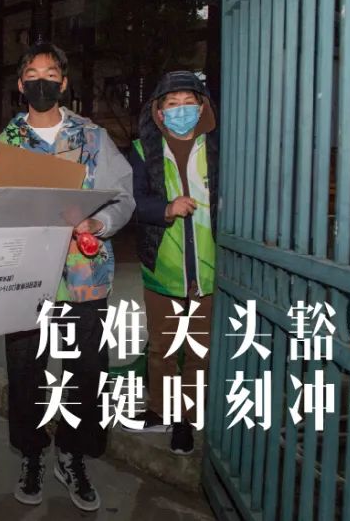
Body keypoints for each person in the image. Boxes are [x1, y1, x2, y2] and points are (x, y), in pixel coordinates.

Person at [0, 42, 135, 513]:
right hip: (27, 280)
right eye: (33, 74)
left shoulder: (92, 138)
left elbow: (123, 196)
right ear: (20, 84)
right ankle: (32, 454)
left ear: (65, 83)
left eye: (51, 74)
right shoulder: (5, 143)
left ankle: (72, 455)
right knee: (26, 374)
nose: (42, 82)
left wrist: (99, 223)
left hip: (84, 276)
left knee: (85, 374)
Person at [124, 70, 218, 456]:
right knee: (162, 346)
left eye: (188, 103)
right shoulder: (143, 150)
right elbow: (131, 201)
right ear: (158, 112)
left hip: (209, 270)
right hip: (162, 267)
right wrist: (165, 208)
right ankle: (161, 411)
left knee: (198, 350)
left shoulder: (217, 149)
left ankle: (187, 421)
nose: (181, 111)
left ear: (202, 107)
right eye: (172, 104)